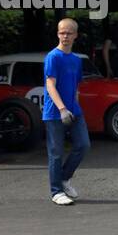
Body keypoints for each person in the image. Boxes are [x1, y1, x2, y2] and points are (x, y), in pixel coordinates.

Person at [43, 18, 89, 206]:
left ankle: (63, 178)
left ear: (76, 35)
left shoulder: (76, 60)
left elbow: (76, 87)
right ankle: (56, 192)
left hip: (74, 111)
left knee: (83, 145)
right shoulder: (53, 57)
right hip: (55, 112)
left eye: (69, 33)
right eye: (62, 32)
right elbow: (50, 84)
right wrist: (62, 109)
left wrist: (74, 108)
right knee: (56, 152)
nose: (65, 36)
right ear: (57, 33)